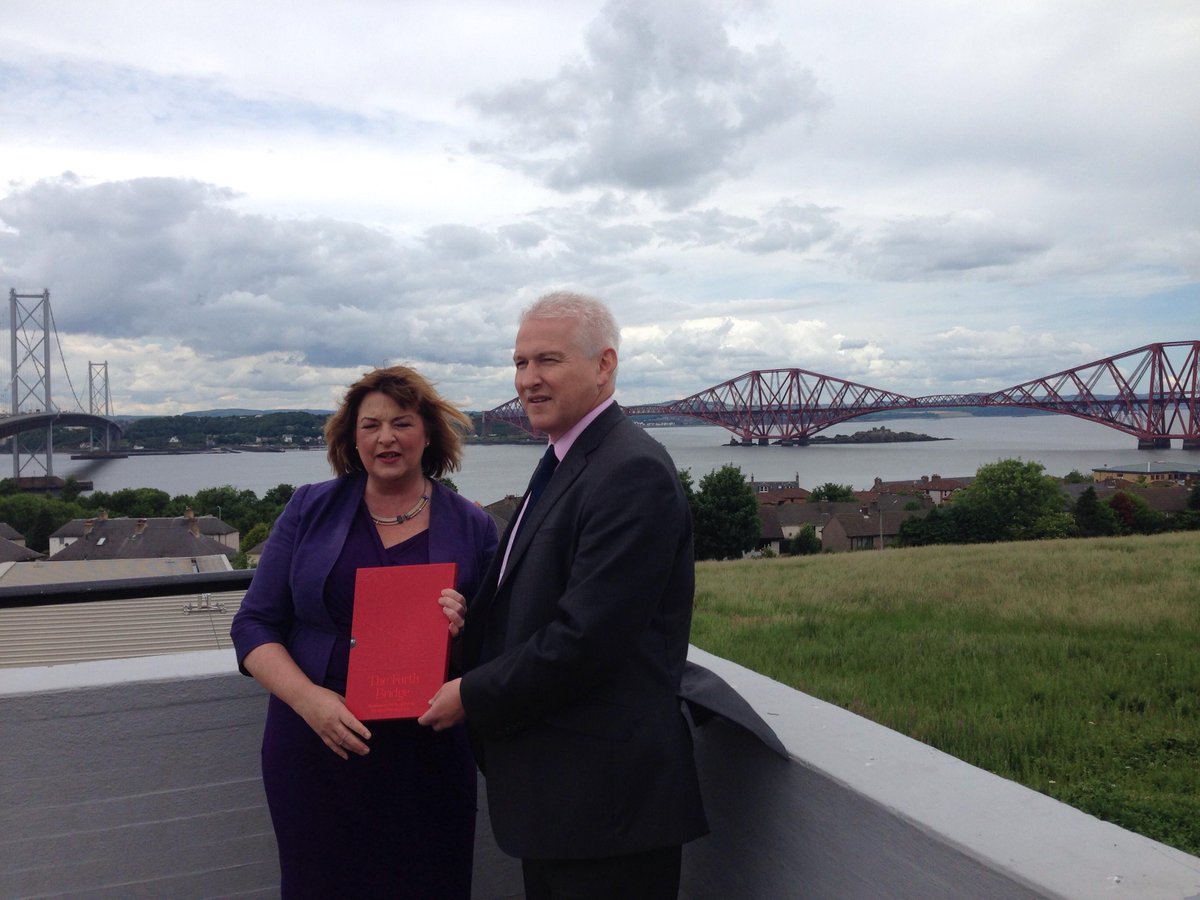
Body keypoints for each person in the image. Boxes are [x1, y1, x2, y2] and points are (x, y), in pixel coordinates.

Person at [420, 291, 708, 899]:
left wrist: (470, 693)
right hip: (565, 803)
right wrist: (471, 616)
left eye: (547, 360)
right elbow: (540, 595)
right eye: (520, 363)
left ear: (605, 365)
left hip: (608, 812)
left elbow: (587, 640)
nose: (528, 379)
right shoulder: (567, 458)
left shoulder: (631, 470)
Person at [230, 366, 498, 900]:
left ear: (428, 433)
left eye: (402, 423)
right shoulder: (308, 508)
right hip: (317, 747)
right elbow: (253, 624)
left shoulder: (473, 525)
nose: (386, 438)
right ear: (352, 437)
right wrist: (311, 703)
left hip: (428, 756)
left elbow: (496, 651)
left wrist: (462, 629)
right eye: (370, 425)